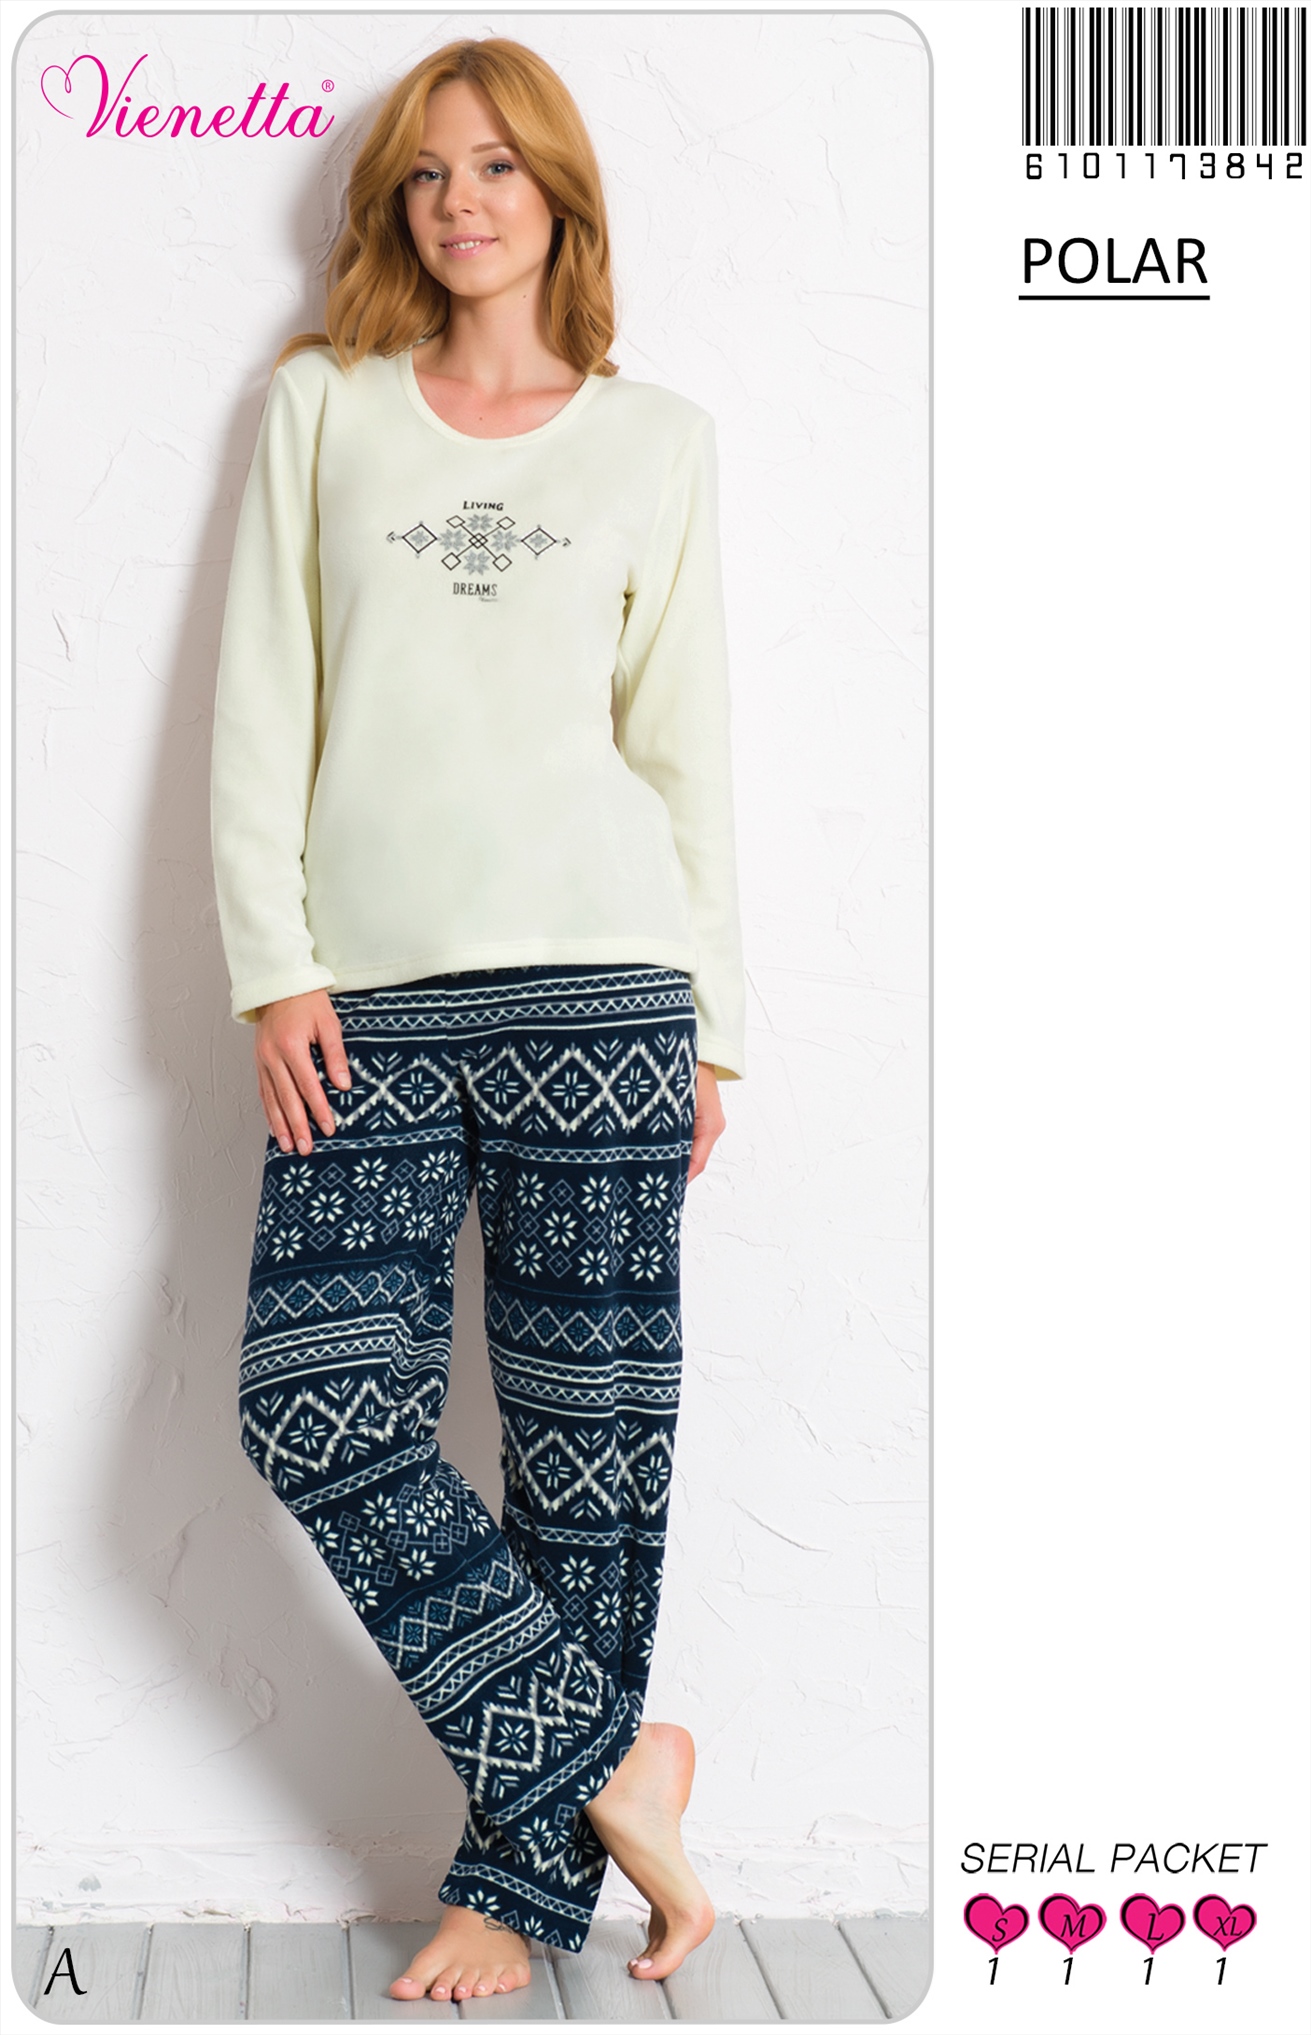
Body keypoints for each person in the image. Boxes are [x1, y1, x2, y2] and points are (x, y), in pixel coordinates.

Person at [209, 34, 744, 2007]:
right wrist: (271, 961)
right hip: (365, 995)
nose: (460, 202)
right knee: (311, 1395)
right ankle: (617, 1765)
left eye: (498, 167)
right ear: (396, 205)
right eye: (429, 173)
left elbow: (683, 748)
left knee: (587, 1449)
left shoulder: (655, 441)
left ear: (558, 196)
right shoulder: (323, 407)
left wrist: (717, 1023)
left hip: (606, 981)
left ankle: (516, 1892)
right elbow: (263, 700)